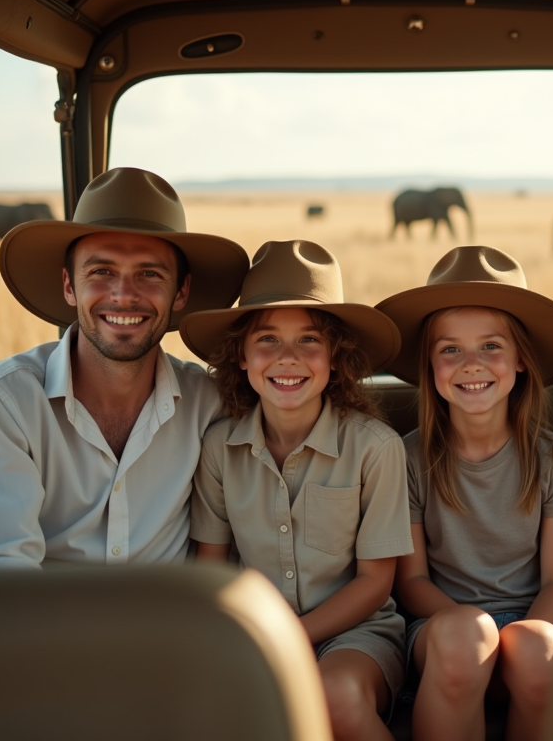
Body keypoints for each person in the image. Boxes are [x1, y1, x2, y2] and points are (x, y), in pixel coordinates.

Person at [0, 167, 249, 568]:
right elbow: (1, 574)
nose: (124, 296)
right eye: (102, 272)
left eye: (149, 274)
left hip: (175, 630)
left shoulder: (209, 403)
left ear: (181, 292)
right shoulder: (5, 403)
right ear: (69, 285)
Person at [182, 240, 412, 741]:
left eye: (309, 340)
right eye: (267, 339)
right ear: (240, 357)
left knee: (333, 697)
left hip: (358, 633)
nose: (288, 358)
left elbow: (375, 581)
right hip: (252, 632)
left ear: (336, 357)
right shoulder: (220, 447)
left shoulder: (376, 447)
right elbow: (213, 565)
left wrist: (290, 638)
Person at [375, 246, 553, 741]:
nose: (471, 364)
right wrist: (479, 636)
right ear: (430, 366)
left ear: (521, 363)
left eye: (491, 346)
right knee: (465, 641)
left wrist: (515, 640)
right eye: (450, 349)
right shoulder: (407, 458)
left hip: (531, 620)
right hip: (441, 624)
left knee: (538, 652)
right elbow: (413, 582)